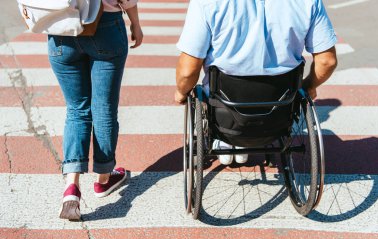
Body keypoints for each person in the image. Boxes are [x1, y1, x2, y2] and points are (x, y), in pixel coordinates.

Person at [175, 0, 337, 165]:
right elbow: (327, 62)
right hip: (279, 112)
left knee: (204, 92)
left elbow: (188, 71)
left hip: (223, 106)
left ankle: (228, 140)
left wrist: (182, 92)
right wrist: (308, 86)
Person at [49, 0, 143, 220]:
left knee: (76, 109)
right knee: (104, 108)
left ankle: (71, 187)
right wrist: (135, 23)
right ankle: (103, 178)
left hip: (60, 28)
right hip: (105, 25)